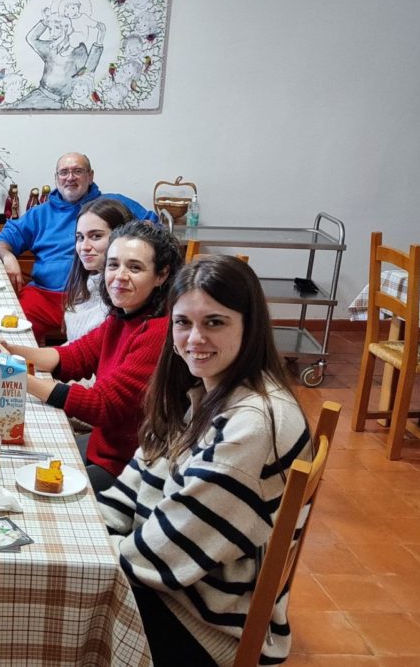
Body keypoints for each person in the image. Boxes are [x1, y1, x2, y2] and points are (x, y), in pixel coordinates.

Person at [96, 255, 311, 665]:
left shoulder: (252, 424)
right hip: (183, 584)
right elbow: (140, 477)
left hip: (206, 623)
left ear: (249, 326)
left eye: (215, 322)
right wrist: (95, 529)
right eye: (183, 322)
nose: (195, 338)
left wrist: (87, 556)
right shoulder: (205, 390)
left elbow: (164, 553)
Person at [0, 220, 182, 491]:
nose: (119, 276)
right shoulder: (125, 315)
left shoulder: (157, 332)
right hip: (103, 444)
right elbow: (73, 357)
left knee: (18, 482)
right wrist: (11, 349)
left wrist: (12, 374)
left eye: (134, 267)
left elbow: (102, 406)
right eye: (113, 265)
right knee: (11, 459)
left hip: (127, 466)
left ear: (162, 275)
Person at [0, 152, 155, 344]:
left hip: (97, 296)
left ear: (90, 176)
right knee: (10, 334)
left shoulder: (113, 205)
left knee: (97, 346)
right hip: (45, 295)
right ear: (56, 178)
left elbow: (154, 230)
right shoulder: (39, 214)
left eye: (78, 171)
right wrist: (8, 257)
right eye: (64, 172)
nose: (70, 177)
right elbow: (2, 240)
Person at [62, 198, 134, 343]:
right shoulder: (88, 282)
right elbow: (74, 349)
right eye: (80, 237)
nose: (84, 247)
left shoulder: (123, 298)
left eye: (96, 236)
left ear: (121, 237)